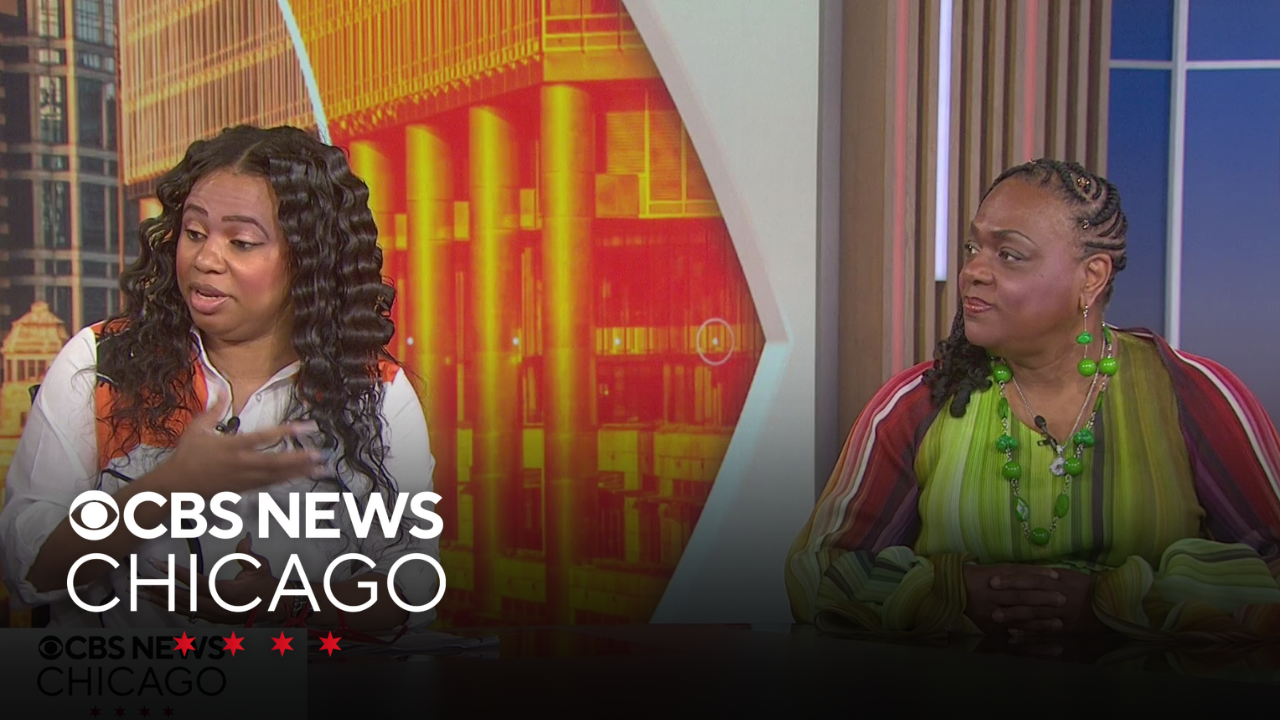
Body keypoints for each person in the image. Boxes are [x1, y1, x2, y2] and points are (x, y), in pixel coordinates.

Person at [786, 159, 1280, 644]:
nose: (973, 271)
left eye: (1010, 254)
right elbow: (816, 573)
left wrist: (1118, 599)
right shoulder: (917, 404)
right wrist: (951, 592)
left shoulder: (1191, 395)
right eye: (973, 247)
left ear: (1092, 277)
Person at [0, 125, 439, 635]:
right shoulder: (102, 362)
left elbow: (412, 587)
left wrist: (285, 605)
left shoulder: (374, 391)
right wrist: (166, 489)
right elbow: (28, 571)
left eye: (242, 242)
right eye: (194, 233)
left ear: (309, 259)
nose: (206, 260)